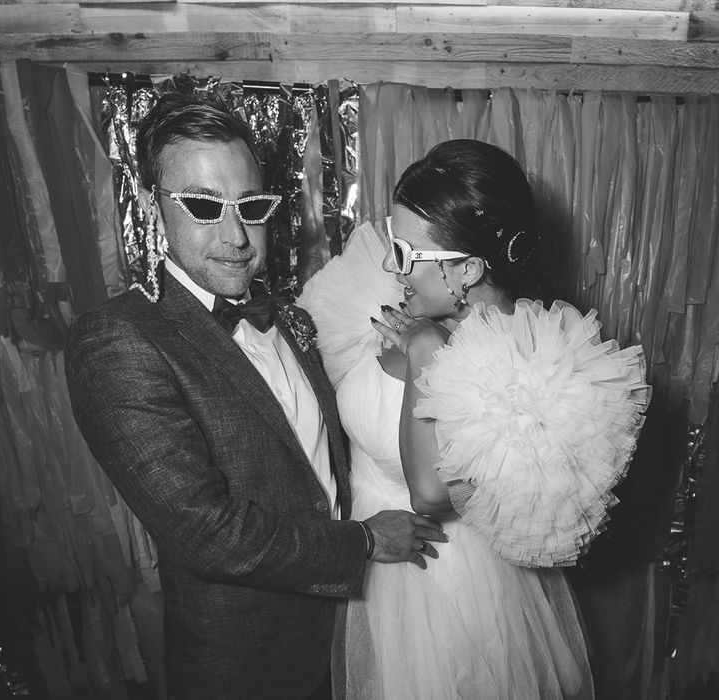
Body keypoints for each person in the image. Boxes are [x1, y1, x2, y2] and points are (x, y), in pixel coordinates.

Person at [64, 93, 447, 700]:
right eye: (202, 205)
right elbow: (208, 533)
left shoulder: (292, 319)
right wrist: (367, 541)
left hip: (363, 639)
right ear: (149, 205)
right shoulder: (119, 339)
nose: (237, 235)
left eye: (252, 205)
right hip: (250, 666)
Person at [298, 139, 651, 699]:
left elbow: (431, 493)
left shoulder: (524, 363)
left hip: (446, 593)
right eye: (393, 243)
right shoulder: (402, 302)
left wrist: (422, 352)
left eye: (409, 255)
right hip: (368, 557)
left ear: (467, 269)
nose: (393, 266)